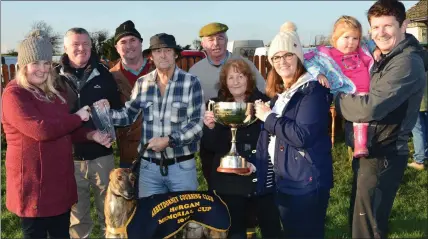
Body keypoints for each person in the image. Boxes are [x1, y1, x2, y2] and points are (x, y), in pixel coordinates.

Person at [1, 30, 110, 239]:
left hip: (59, 184)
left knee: (61, 234)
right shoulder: (14, 94)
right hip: (34, 187)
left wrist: (90, 136)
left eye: (46, 63)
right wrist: (78, 117)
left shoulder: (52, 92)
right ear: (24, 65)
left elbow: (64, 129)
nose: (42, 70)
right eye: (36, 63)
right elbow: (41, 130)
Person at [334, 0, 428, 237]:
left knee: (369, 226)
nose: (380, 33)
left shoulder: (406, 63)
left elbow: (370, 108)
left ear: (403, 25)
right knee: (361, 219)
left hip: (384, 154)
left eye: (387, 26)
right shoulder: (387, 56)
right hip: (371, 151)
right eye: (375, 27)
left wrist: (337, 99)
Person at [96, 33, 204, 198]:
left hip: (181, 167)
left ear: (175, 54)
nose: (163, 55)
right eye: (158, 51)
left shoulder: (191, 82)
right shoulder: (142, 83)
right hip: (149, 169)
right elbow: (127, 115)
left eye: (167, 50)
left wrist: (169, 140)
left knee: (182, 220)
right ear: (151, 56)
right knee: (151, 220)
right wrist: (100, 112)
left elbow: (197, 124)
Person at [254, 22, 333, 238]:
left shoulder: (312, 91)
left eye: (287, 55)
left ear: (298, 56)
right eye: (276, 57)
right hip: (287, 178)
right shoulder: (282, 94)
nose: (282, 62)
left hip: (306, 182)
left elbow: (301, 136)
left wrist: (268, 117)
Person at [201, 59, 282, 239]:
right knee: (234, 231)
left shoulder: (263, 104)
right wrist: (211, 128)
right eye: (231, 77)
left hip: (260, 177)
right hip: (229, 181)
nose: (236, 81)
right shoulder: (216, 105)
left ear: (249, 79)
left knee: (272, 229)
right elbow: (209, 147)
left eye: (240, 76)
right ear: (225, 81)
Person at [54, 27, 122, 238]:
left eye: (85, 44)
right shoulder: (54, 78)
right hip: (69, 158)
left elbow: (119, 111)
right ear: (65, 47)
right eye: (75, 44)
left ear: (92, 46)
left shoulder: (104, 74)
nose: (81, 48)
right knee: (77, 217)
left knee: (110, 214)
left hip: (102, 156)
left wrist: (109, 108)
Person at [189, 22, 266, 203]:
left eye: (220, 38)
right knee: (216, 185)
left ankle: (249, 224)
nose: (216, 43)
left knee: (249, 191)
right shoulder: (195, 71)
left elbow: (262, 93)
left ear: (226, 40)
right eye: (211, 40)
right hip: (212, 137)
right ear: (203, 45)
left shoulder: (244, 64)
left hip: (247, 136)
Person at [304, 16, 376, 158]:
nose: (351, 42)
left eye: (355, 38)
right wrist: (319, 74)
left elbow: (371, 41)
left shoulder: (361, 51)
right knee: (360, 115)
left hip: (368, 92)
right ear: (335, 37)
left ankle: (371, 142)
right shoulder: (327, 54)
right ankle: (360, 144)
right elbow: (308, 61)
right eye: (346, 37)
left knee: (371, 113)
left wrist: (376, 51)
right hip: (347, 93)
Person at [110, 20, 152, 168]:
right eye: (123, 42)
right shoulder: (109, 77)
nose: (129, 46)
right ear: (117, 47)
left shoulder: (160, 70)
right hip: (130, 152)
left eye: (133, 40)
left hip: (163, 149)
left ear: (141, 43)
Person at [409, 69, 428, 170]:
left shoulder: (415, 62)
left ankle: (419, 160)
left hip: (417, 103)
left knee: (417, 131)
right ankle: (425, 154)